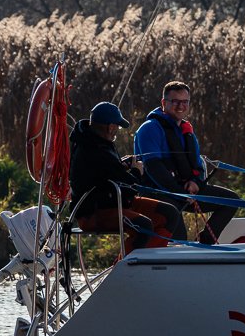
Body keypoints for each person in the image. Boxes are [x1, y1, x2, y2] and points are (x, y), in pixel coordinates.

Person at [134, 81, 241, 244]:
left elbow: (198, 165)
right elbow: (154, 168)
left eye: (185, 102)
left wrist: (195, 182)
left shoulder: (187, 131)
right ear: (164, 103)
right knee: (179, 236)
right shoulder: (149, 129)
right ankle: (179, 250)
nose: (180, 106)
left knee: (231, 201)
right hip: (158, 193)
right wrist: (179, 193)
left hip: (184, 192)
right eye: (175, 101)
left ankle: (205, 243)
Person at [69, 101, 182, 253]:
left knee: (169, 214)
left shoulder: (95, 141)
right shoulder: (94, 150)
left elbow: (107, 174)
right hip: (94, 212)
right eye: (117, 127)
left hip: (116, 202)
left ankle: (148, 258)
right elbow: (129, 188)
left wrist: (121, 167)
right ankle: (128, 264)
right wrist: (136, 171)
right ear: (110, 127)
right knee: (143, 225)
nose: (117, 130)